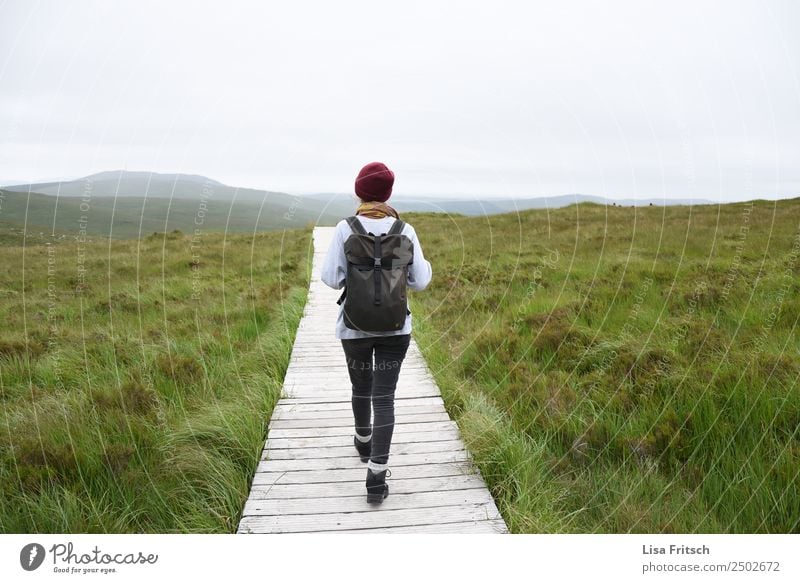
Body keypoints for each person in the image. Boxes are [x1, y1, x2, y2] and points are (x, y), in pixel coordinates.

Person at [321, 161, 433, 503]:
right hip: (396, 329)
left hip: (354, 327)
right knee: (384, 398)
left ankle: (363, 438)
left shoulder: (345, 228)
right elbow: (421, 281)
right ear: (388, 193)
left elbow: (330, 277)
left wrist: (357, 281)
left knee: (361, 387)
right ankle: (376, 476)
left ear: (359, 192)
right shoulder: (405, 229)